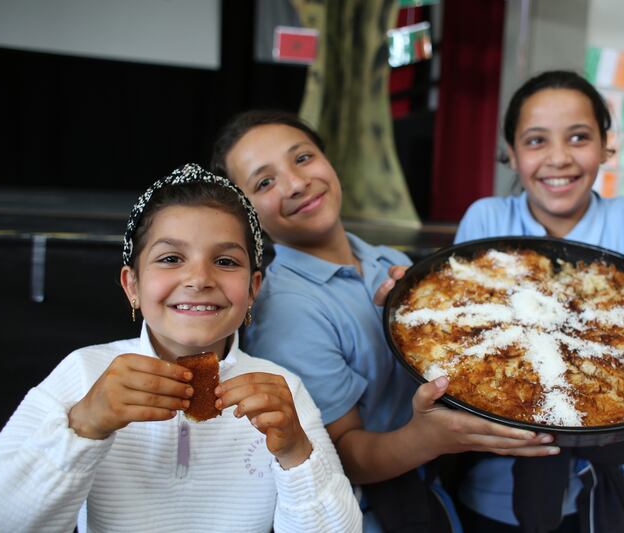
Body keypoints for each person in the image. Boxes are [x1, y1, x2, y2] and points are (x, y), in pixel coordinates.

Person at [211, 111, 559, 532]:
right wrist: (428, 438)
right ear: (246, 213)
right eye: (264, 182)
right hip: (370, 513)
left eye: (302, 158)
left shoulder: (389, 261)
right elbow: (339, 454)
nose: (296, 183)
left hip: (435, 493)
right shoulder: (286, 311)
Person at [0, 164, 361, 533]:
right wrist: (83, 427)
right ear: (132, 286)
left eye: (225, 261)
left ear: (253, 290)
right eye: (171, 258)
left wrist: (296, 453)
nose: (198, 278)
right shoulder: (84, 372)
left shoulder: (283, 390)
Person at [452, 70, 624, 532]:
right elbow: (461, 338)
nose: (558, 158)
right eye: (536, 141)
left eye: (579, 137)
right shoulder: (487, 218)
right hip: (496, 488)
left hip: (612, 484)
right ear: (510, 152)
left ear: (606, 145)